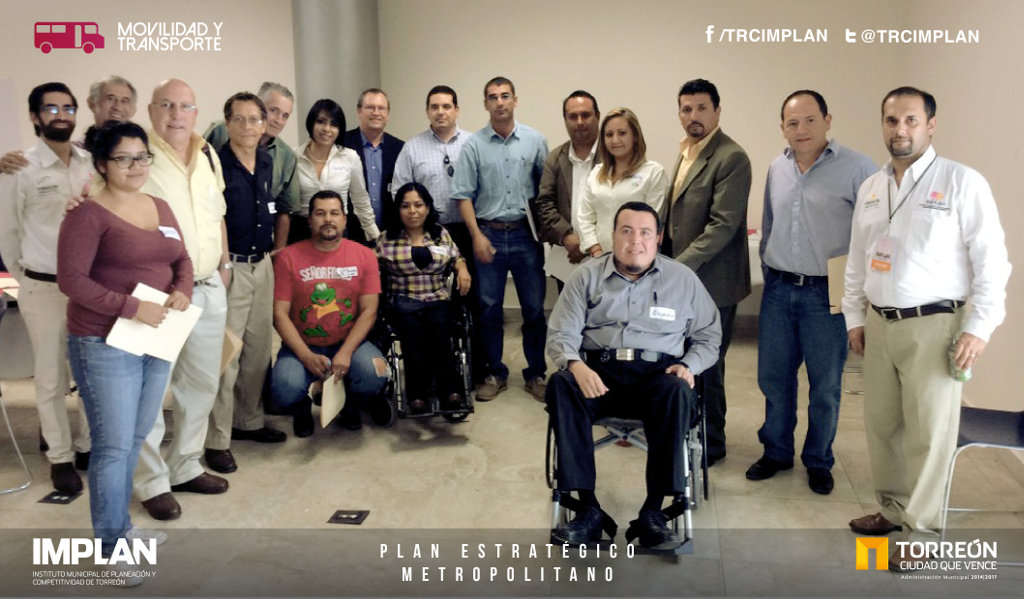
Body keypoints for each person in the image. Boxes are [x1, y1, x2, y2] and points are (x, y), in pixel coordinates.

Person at [843, 87, 1011, 572]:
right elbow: (857, 258)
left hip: (935, 326)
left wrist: (978, 327)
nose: (900, 129)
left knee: (929, 433)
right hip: (880, 323)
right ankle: (893, 509)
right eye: (891, 120)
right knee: (883, 426)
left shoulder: (961, 181)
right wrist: (855, 317)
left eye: (911, 120)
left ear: (930, 125)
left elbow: (992, 262)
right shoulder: (872, 187)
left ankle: (923, 532)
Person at [56, 121, 192, 569]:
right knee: (112, 446)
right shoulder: (87, 215)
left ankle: (123, 528)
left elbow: (183, 260)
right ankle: (110, 546)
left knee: (134, 437)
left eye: (142, 157)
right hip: (103, 341)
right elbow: (71, 281)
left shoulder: (160, 206)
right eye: (123, 159)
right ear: (101, 164)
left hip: (156, 335)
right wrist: (131, 307)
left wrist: (182, 291)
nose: (136, 166)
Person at [546, 201, 720, 550]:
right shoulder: (585, 277)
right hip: (598, 375)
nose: (635, 241)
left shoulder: (683, 279)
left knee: (678, 389)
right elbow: (561, 334)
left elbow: (709, 335)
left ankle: (654, 512)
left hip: (658, 377)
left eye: (644, 233)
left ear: (658, 238)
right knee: (562, 383)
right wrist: (576, 365)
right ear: (613, 236)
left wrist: (689, 365)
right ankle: (588, 509)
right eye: (626, 231)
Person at [746, 90, 876, 494]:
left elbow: (873, 234)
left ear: (827, 121)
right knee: (774, 379)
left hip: (827, 294)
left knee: (825, 385)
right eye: (792, 123)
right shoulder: (777, 168)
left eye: (810, 120)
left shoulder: (858, 168)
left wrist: (858, 298)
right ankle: (777, 451)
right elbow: (769, 225)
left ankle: (818, 459)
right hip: (779, 290)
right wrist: (771, 270)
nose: (801, 129)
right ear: (782, 128)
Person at [133, 79, 231, 521]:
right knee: (152, 391)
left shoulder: (208, 153)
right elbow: (106, 206)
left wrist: (224, 264)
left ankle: (185, 464)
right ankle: (151, 481)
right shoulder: (137, 154)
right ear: (151, 110)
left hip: (209, 285)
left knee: (202, 383)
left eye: (185, 106)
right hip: (160, 292)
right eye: (167, 105)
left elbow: (217, 213)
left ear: (196, 112)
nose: (176, 115)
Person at [0, 81, 93, 494]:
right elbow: (7, 233)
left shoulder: (90, 163)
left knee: (89, 373)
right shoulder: (19, 168)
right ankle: (60, 456)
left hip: (87, 289)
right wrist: (27, 279)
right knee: (52, 379)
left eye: (68, 108)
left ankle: (88, 446)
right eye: (51, 109)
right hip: (43, 288)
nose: (61, 115)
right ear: (35, 117)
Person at [662, 78, 751, 466]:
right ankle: (688, 430)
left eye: (701, 108)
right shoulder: (687, 152)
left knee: (708, 363)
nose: (693, 116)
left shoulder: (732, 157)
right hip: (685, 281)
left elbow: (722, 225)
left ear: (717, 111)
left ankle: (712, 443)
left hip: (714, 283)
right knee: (683, 360)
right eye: (686, 109)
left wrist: (676, 269)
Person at [203, 93, 288, 477]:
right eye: (240, 119)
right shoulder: (215, 164)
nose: (249, 126)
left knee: (257, 351)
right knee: (227, 355)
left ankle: (249, 421)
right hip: (231, 267)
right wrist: (223, 263)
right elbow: (212, 217)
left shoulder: (267, 161)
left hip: (262, 265)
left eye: (255, 119)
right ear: (227, 124)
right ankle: (217, 440)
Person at [451, 76, 549, 402]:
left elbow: (546, 192)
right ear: (486, 104)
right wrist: (476, 236)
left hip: (525, 236)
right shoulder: (474, 145)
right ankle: (495, 373)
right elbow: (463, 195)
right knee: (489, 309)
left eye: (505, 96)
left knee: (533, 309)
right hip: (488, 235)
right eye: (493, 97)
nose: (500, 102)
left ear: (515, 100)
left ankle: (536, 373)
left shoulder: (535, 141)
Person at [271, 190, 389, 435]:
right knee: (284, 388)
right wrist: (305, 355)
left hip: (351, 343)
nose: (328, 219)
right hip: (303, 344)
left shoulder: (364, 255)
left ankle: (349, 404)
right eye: (320, 213)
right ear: (309, 220)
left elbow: (369, 311)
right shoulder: (287, 257)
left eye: (334, 213)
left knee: (375, 374)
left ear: (344, 219)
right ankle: (302, 408)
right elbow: (279, 313)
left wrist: (345, 352)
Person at [390, 85, 484, 385]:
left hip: (469, 230)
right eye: (434, 106)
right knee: (431, 304)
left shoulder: (473, 143)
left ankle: (475, 372)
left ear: (457, 110)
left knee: (472, 301)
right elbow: (399, 191)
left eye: (446, 106)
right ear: (427, 111)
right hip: (427, 235)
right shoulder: (412, 148)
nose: (440, 112)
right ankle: (430, 374)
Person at [376, 182, 471, 414]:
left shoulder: (440, 234)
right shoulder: (387, 238)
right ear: (398, 210)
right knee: (411, 330)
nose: (412, 211)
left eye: (418, 205)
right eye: (406, 206)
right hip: (402, 302)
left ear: (427, 208)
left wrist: (462, 269)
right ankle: (417, 394)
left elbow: (456, 257)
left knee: (440, 326)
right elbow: (370, 265)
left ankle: (450, 391)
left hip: (437, 299)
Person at [205, 82, 300, 248]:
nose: (278, 120)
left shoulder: (286, 156)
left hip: (259, 247)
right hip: (217, 242)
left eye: (285, 116)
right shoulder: (221, 131)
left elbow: (285, 209)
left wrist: (279, 251)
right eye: (273, 110)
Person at [533, 90, 601, 290]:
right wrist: (566, 237)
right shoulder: (555, 158)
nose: (580, 122)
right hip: (567, 255)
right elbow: (544, 203)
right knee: (570, 307)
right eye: (573, 116)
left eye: (586, 115)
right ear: (565, 120)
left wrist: (591, 243)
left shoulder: (612, 156)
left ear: (597, 116)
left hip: (605, 252)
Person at [0, 75, 137, 174]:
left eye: (125, 101)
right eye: (110, 98)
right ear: (92, 104)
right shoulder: (79, 154)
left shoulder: (144, 149)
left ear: (133, 109)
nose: (117, 107)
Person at [577, 107, 667, 258]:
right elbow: (585, 218)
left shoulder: (653, 172)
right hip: (599, 259)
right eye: (609, 135)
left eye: (622, 133)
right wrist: (596, 251)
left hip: (637, 259)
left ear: (635, 136)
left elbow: (651, 224)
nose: (615, 140)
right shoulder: (596, 173)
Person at [293, 99, 379, 244]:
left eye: (334, 124)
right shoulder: (294, 157)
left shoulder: (349, 157)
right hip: (301, 232)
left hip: (336, 231)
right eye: (321, 121)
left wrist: (374, 235)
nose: (327, 129)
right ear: (311, 123)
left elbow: (360, 200)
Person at [342, 88, 404, 246]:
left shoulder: (400, 148)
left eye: (381, 108)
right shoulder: (342, 144)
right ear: (359, 111)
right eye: (370, 107)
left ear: (388, 114)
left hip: (389, 236)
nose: (376, 113)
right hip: (350, 234)